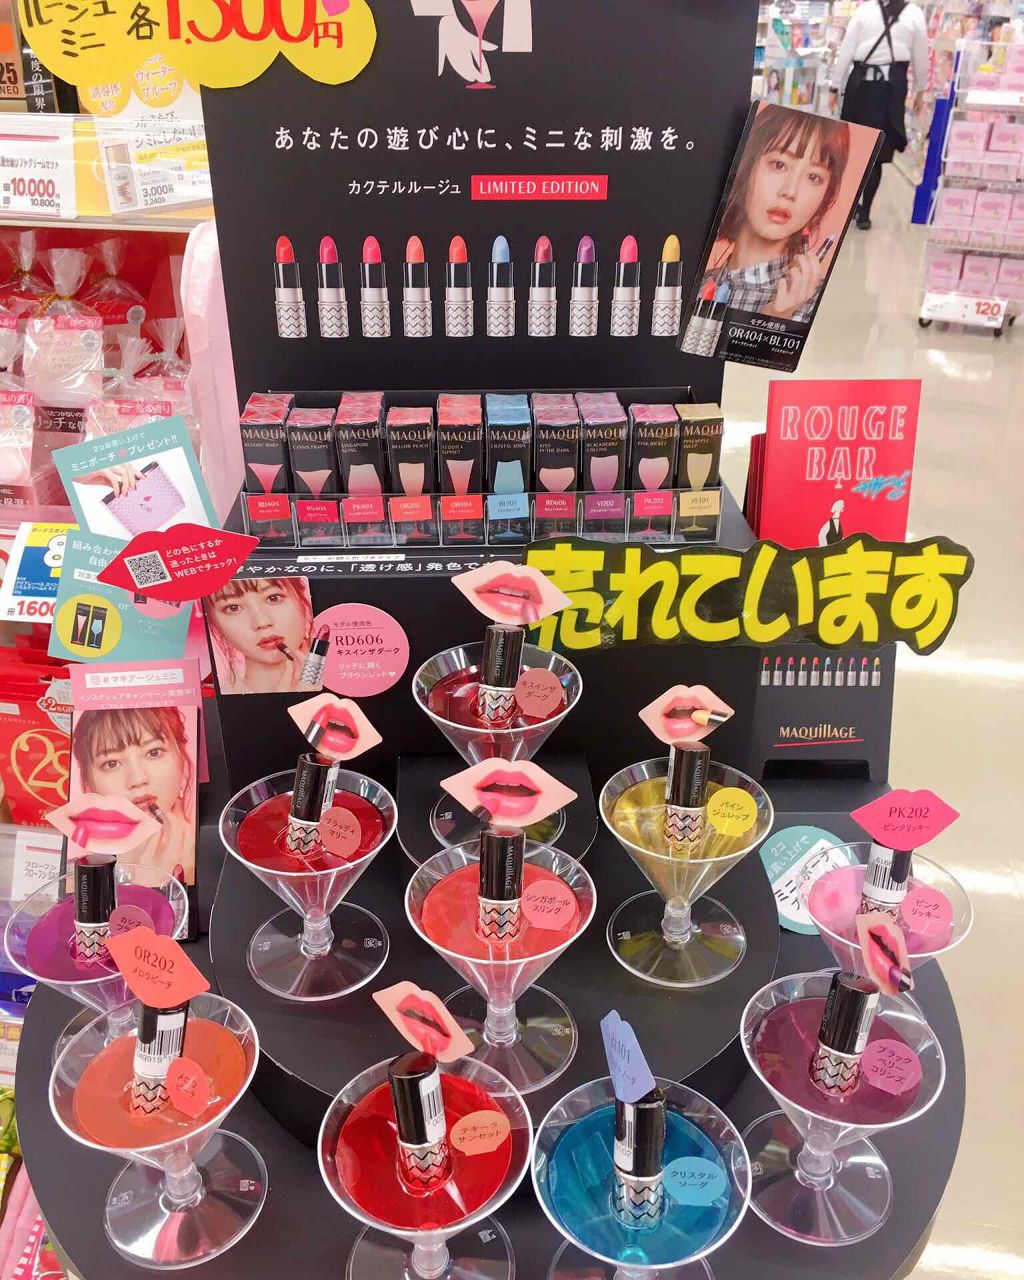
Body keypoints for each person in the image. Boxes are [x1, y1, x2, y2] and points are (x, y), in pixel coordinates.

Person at [697, 106, 850, 322]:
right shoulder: (699, 282)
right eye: (779, 165)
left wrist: (777, 319)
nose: (790, 191)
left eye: (813, 177)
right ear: (746, 164)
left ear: (826, 194)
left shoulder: (814, 300)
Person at [832, 0, 928, 230]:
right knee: (877, 153)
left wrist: (835, 86)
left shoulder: (864, 11)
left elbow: (847, 51)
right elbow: (921, 57)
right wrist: (920, 91)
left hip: (860, 88)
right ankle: (864, 213)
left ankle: (851, 207)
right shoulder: (914, 14)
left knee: (853, 150)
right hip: (890, 91)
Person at [72, 706, 195, 882]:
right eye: (112, 763)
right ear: (88, 782)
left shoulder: (216, 851)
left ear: (181, 759)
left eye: (153, 752)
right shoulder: (77, 880)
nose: (137, 779)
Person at [206, 575, 316, 694]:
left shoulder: (330, 680)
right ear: (214, 623)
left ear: (301, 600)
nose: (261, 622)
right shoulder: (218, 699)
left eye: (273, 598)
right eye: (233, 608)